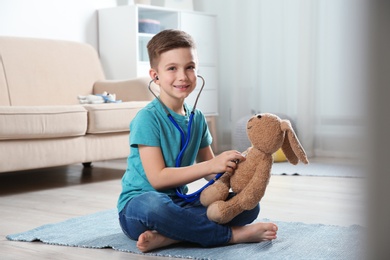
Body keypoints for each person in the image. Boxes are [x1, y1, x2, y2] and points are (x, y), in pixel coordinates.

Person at [118, 29, 278, 253]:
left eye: (190, 67)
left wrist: (242, 169)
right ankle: (230, 236)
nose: (182, 76)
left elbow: (212, 173)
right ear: (155, 76)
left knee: (247, 206)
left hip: (179, 203)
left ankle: (169, 237)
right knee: (155, 205)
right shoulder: (147, 118)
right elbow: (158, 179)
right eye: (172, 68)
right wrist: (212, 165)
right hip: (139, 209)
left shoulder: (198, 118)